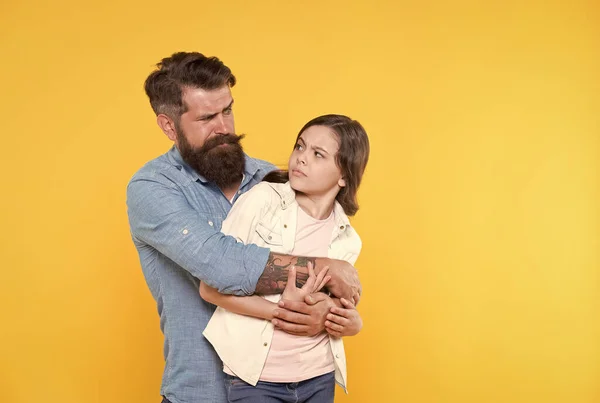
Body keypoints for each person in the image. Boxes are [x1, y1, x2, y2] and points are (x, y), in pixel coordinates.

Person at [126, 52, 362, 403]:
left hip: (288, 388)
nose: (224, 127)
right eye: (207, 117)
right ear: (169, 126)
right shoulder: (153, 188)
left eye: (228, 110)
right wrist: (325, 270)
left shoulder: (274, 181)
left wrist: (330, 314)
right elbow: (223, 264)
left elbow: (330, 253)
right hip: (200, 394)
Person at [200, 114, 370, 403]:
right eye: (300, 147)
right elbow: (211, 288)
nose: (301, 158)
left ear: (344, 175)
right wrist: (280, 310)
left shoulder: (347, 239)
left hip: (320, 375)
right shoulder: (262, 200)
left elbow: (336, 306)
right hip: (256, 379)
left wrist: (353, 322)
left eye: (318, 154)